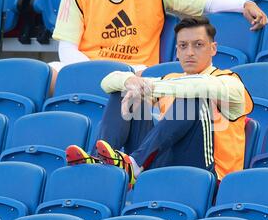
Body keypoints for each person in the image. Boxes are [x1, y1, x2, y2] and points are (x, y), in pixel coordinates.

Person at [65, 16, 253, 186]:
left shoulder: (230, 81)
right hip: (164, 163)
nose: (190, 52)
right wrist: (130, 81)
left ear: (213, 49)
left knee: (192, 99)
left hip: (210, 175)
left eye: (198, 45)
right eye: (183, 46)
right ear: (176, 51)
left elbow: (200, 86)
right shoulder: (170, 81)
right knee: (124, 92)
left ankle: (135, 163)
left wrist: (148, 87)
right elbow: (108, 81)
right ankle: (100, 163)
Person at [49, 0, 268, 89]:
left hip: (137, 70)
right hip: (89, 66)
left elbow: (207, 2)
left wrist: (243, 5)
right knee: (47, 75)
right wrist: (98, 73)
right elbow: (66, 48)